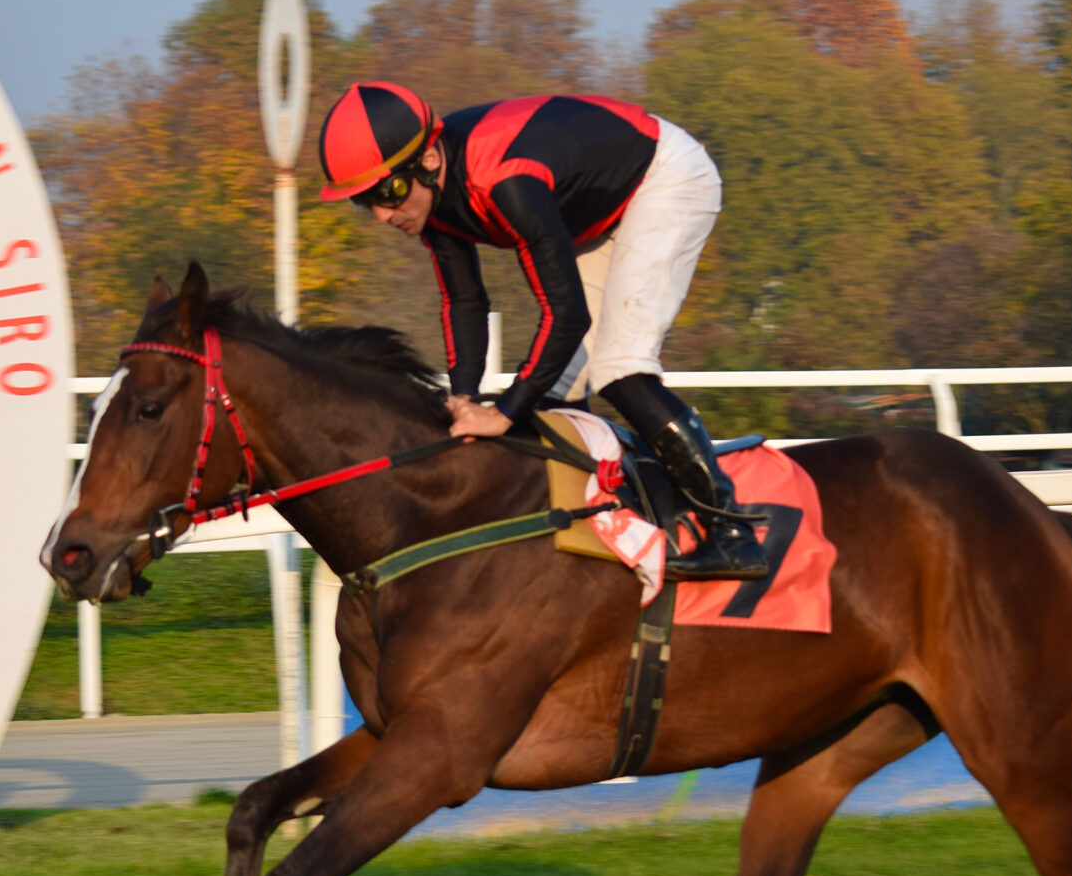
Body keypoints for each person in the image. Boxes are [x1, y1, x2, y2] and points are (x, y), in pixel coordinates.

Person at [316, 82, 768, 581]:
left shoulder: (505, 182)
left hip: (664, 178)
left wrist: (504, 411)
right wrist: (464, 398)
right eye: (365, 202)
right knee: (555, 396)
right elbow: (465, 302)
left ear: (428, 159)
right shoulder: (433, 198)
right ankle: (596, 532)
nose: (383, 215)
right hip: (597, 213)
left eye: (389, 193)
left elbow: (567, 314)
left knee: (618, 370)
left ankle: (732, 533)